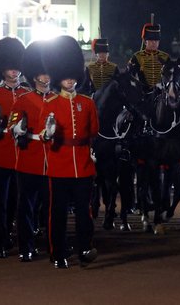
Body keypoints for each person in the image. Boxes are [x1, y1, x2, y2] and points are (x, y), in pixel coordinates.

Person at [43, 36, 100, 269]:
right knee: (57, 212)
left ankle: (85, 247)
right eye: (65, 76)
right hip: (59, 163)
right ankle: (57, 252)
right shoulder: (51, 104)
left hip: (83, 164)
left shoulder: (87, 103)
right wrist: (48, 134)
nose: (69, 80)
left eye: (72, 76)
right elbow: (43, 135)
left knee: (84, 211)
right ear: (59, 78)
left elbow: (94, 130)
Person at [9, 41, 57, 262]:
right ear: (35, 76)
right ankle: (26, 247)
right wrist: (19, 129)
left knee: (51, 207)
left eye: (48, 73)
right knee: (25, 207)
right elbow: (13, 126)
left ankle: (52, 246)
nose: (46, 78)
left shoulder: (58, 100)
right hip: (29, 159)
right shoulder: (23, 100)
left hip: (53, 161)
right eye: (42, 74)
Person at [0, 37, 30, 258]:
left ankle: (12, 234)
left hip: (22, 154)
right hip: (1, 153)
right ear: (2, 70)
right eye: (10, 68)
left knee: (17, 201)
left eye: (16, 67)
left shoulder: (26, 93)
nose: (14, 72)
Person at [127, 20, 170, 90]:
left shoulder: (165, 57)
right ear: (144, 41)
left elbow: (170, 76)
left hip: (161, 92)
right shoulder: (137, 57)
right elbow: (130, 76)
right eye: (150, 40)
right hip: (142, 93)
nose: (153, 43)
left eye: (156, 40)